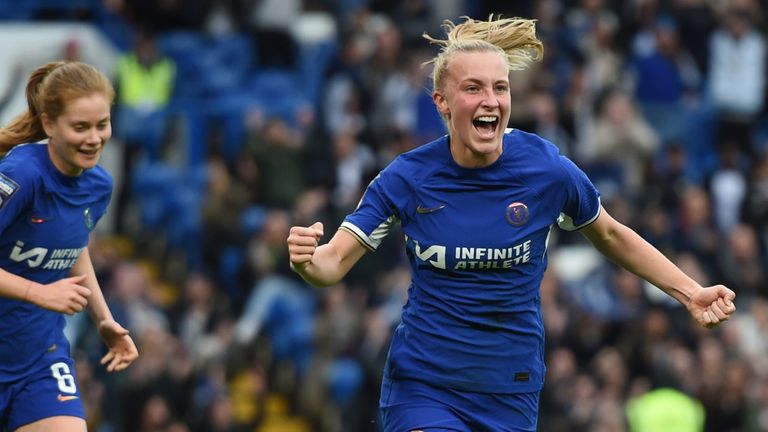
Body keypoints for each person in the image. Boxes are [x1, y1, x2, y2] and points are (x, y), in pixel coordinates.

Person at [286, 16, 737, 432]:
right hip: (423, 384)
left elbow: (611, 233)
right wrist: (308, 260)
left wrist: (690, 292)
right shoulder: (406, 178)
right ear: (442, 102)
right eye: (474, 89)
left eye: (500, 88)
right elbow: (333, 263)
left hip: (509, 388)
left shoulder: (546, 170)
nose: (491, 101)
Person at [0, 61, 139, 432]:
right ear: (48, 124)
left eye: (102, 125)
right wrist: (37, 292)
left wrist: (104, 319)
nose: (94, 138)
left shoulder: (99, 186)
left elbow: (73, 246)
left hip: (38, 357)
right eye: (80, 127)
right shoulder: (20, 175)